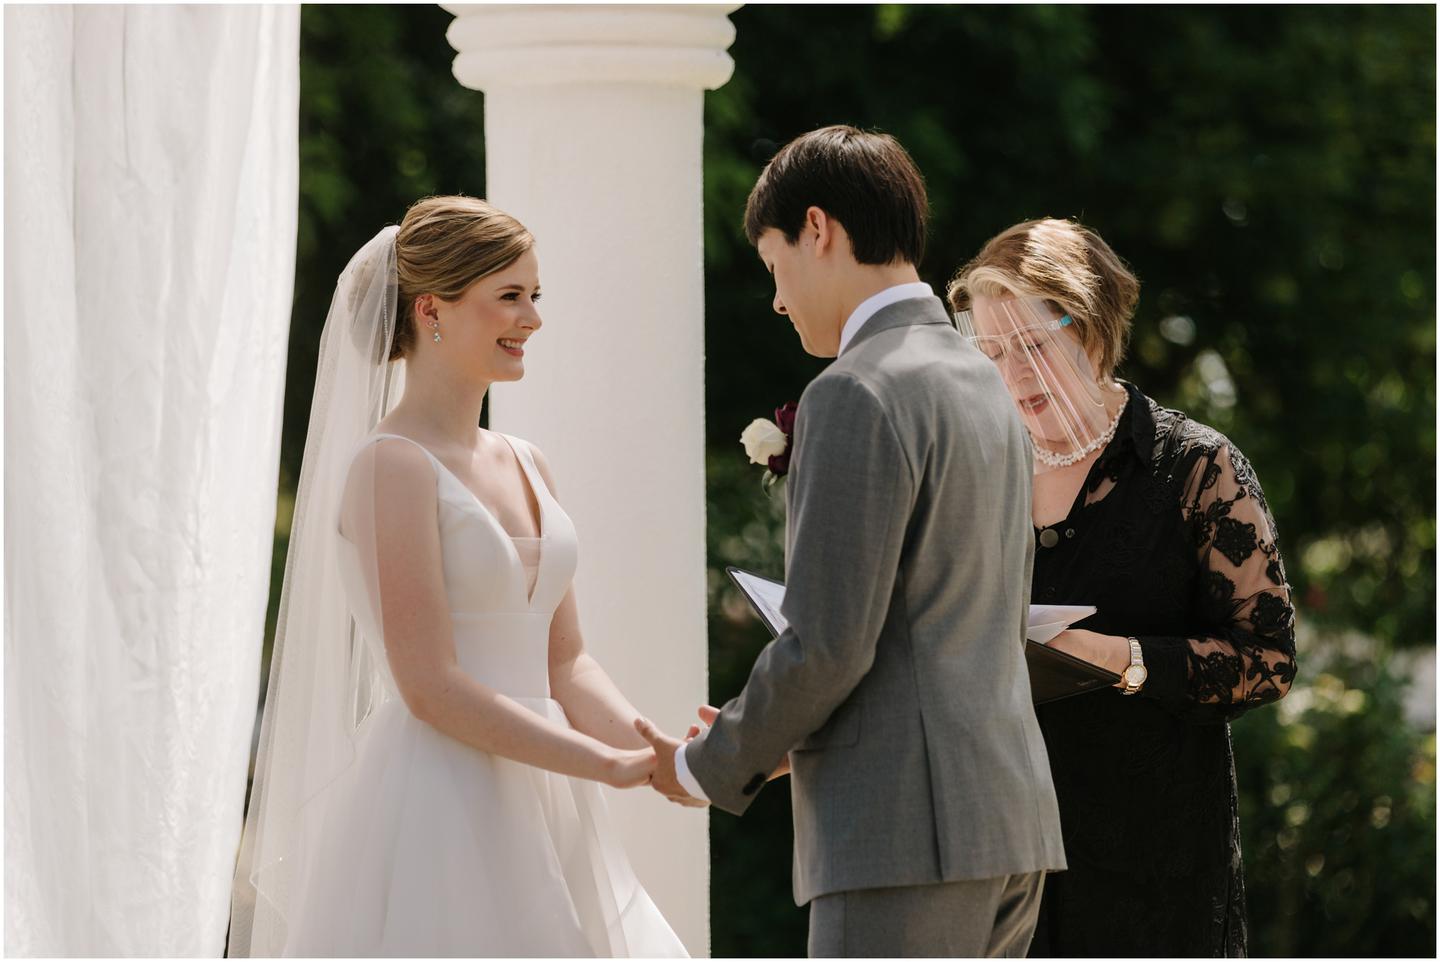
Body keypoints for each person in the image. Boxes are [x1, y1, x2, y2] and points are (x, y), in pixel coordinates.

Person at [635, 125, 1066, 958]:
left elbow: (830, 644)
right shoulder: (984, 382)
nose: (777, 299)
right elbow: (962, 624)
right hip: (1007, 824)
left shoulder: (856, 390)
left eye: (774, 264)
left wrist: (706, 763)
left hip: (903, 836)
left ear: (819, 230)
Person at [228, 196, 685, 957]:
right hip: (442, 802)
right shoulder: (388, 467)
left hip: (550, 794)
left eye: (534, 296)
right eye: (509, 296)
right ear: (433, 310)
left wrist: (658, 749)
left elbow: (565, 661)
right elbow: (429, 685)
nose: (532, 318)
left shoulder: (528, 460)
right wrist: (603, 763)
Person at [946, 217, 1297, 956]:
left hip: (1156, 868)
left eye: (1032, 346)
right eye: (993, 351)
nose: (1012, 375)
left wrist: (1122, 660)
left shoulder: (1199, 469)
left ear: (1094, 329)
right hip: (1001, 861)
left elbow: (1268, 660)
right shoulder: (973, 472)